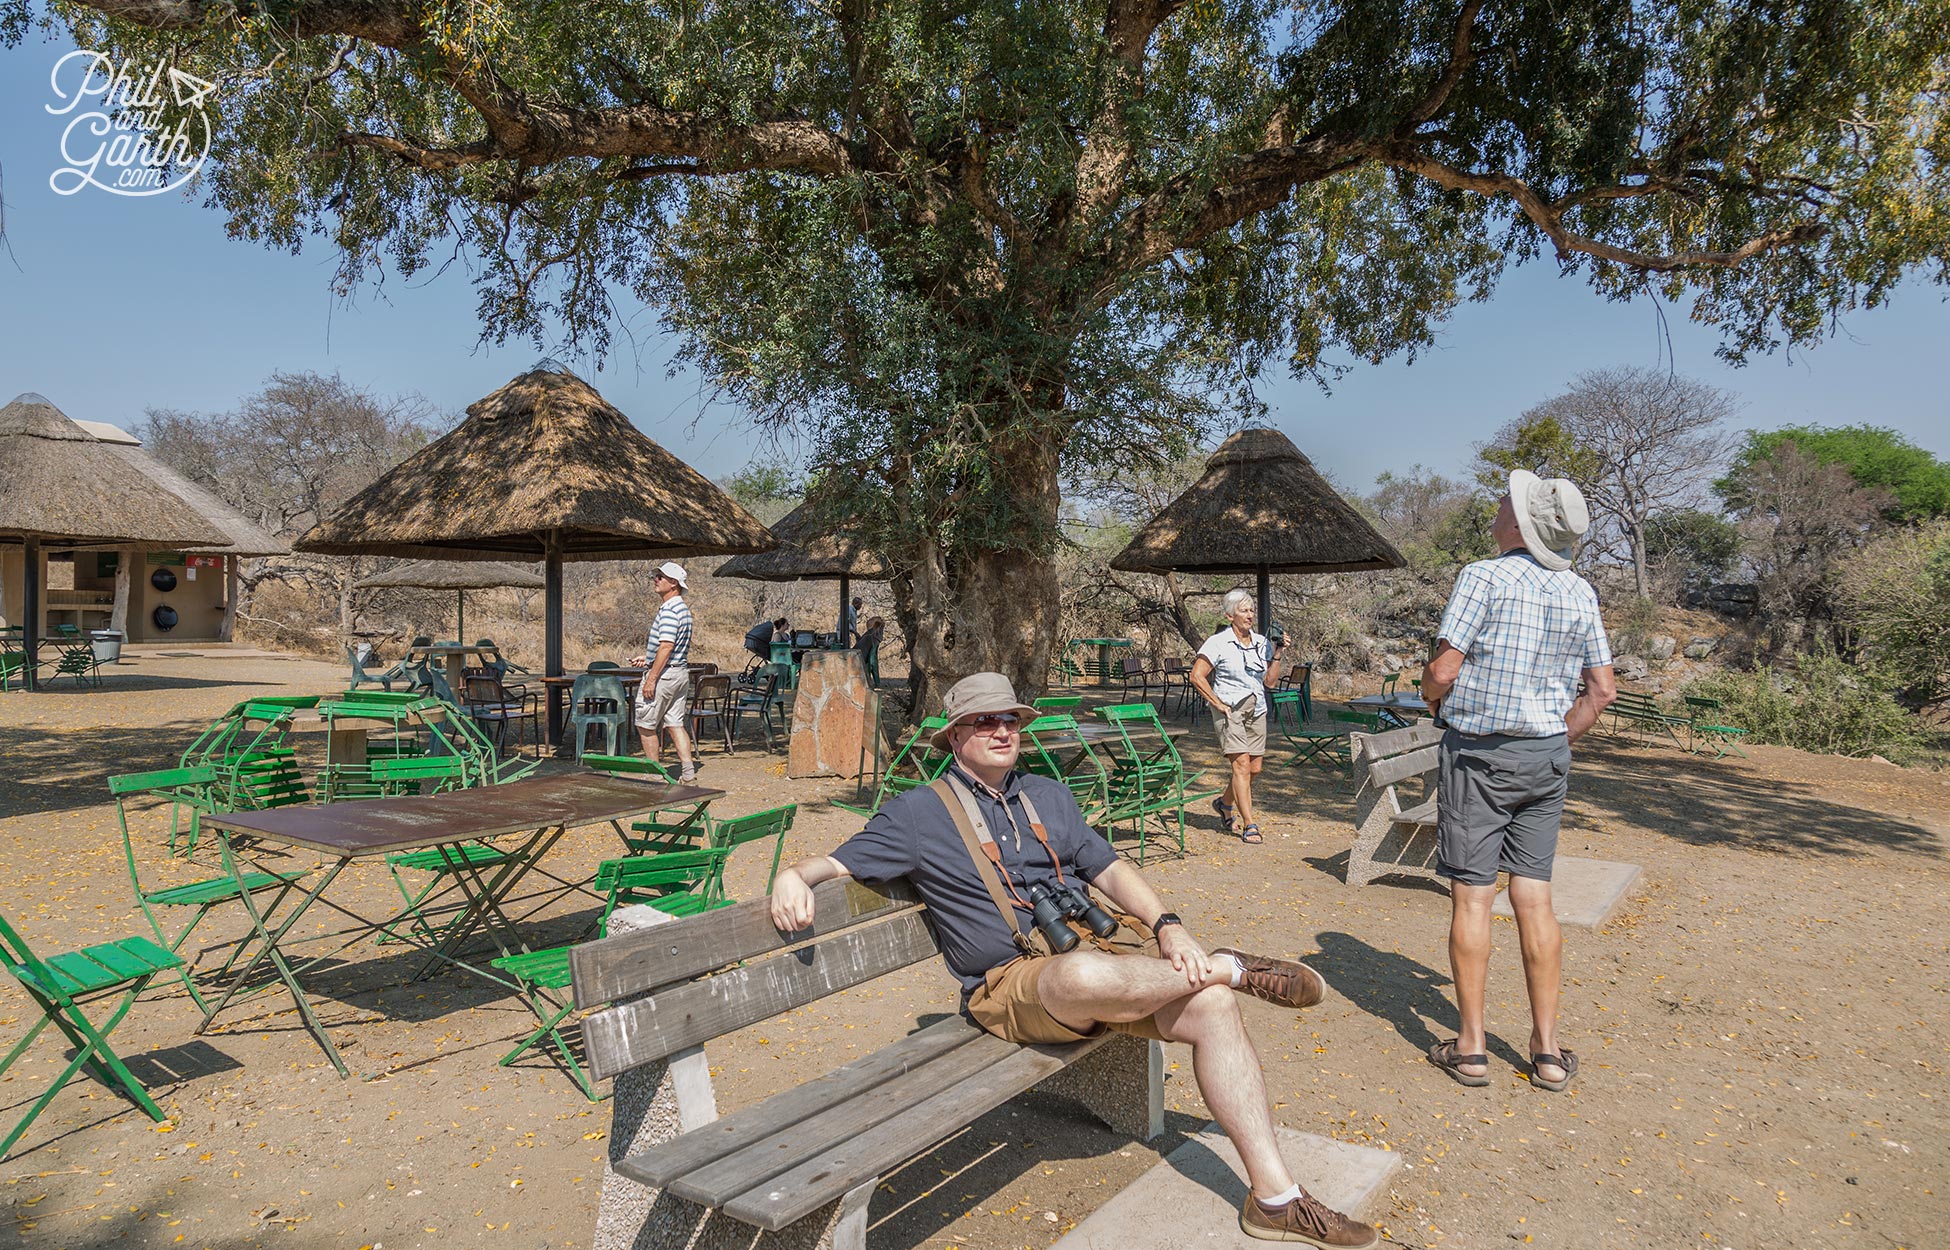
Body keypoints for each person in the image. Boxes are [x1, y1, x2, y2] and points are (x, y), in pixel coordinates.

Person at [770, 673, 1376, 1248]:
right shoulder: (917, 815)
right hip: (1010, 987)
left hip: (1100, 959)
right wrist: (798, 874)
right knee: (1081, 974)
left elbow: (1108, 867)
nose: (1003, 731)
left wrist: (1169, 928)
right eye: (985, 722)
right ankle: (1231, 966)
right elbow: (841, 859)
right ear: (954, 736)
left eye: (1011, 719)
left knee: (1212, 1004)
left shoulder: (1047, 795)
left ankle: (1275, 1198)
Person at [1417, 470, 1617, 1093]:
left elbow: (1445, 667)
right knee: (1535, 897)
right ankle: (1548, 1050)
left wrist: (1433, 703)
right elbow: (1602, 690)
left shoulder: (1484, 576)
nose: (1499, 506)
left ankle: (1472, 1047)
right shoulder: (1579, 591)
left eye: (1506, 502)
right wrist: (1556, 738)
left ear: (1519, 524)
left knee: (1473, 896)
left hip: (1480, 754)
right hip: (1546, 756)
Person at [1188, 588, 1286, 844]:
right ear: (1229, 615)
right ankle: (1249, 824)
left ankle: (1224, 802)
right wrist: (1217, 703)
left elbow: (1271, 683)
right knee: (1241, 765)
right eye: (1244, 610)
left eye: (1251, 610)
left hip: (1258, 709)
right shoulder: (1218, 642)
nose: (1250, 615)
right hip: (1230, 710)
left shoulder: (1261, 643)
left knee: (1255, 768)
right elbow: (1197, 676)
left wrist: (1277, 653)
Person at [629, 561, 699, 783]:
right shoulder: (683, 610)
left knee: (646, 724)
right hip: (679, 672)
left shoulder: (669, 610)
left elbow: (667, 646)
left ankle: (655, 775)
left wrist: (651, 678)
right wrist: (648, 658)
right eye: (656, 576)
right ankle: (688, 772)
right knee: (675, 723)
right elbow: (671, 647)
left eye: (661, 577)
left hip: (665, 675)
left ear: (674, 583)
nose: (656, 579)